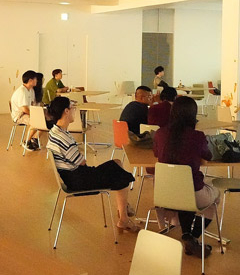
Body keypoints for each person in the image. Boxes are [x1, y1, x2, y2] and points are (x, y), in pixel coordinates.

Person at [46, 96, 137, 232]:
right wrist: (82, 157)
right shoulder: (63, 137)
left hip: (73, 176)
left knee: (117, 163)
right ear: (66, 111)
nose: (74, 111)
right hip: (78, 180)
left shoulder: (55, 131)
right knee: (120, 174)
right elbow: (81, 161)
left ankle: (124, 211)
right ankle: (123, 217)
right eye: (73, 108)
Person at [153, 96, 220, 256]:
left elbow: (156, 153)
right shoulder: (197, 136)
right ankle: (191, 236)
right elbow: (209, 155)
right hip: (192, 193)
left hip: (164, 194)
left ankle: (186, 234)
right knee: (215, 197)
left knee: (184, 198)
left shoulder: (160, 133)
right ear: (193, 115)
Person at [10, 70, 41, 151]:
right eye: (35, 79)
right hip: (19, 116)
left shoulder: (31, 90)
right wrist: (35, 115)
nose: (37, 81)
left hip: (26, 113)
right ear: (30, 80)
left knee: (44, 121)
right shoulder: (22, 91)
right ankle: (26, 141)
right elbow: (24, 109)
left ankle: (34, 139)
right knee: (37, 121)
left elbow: (33, 105)